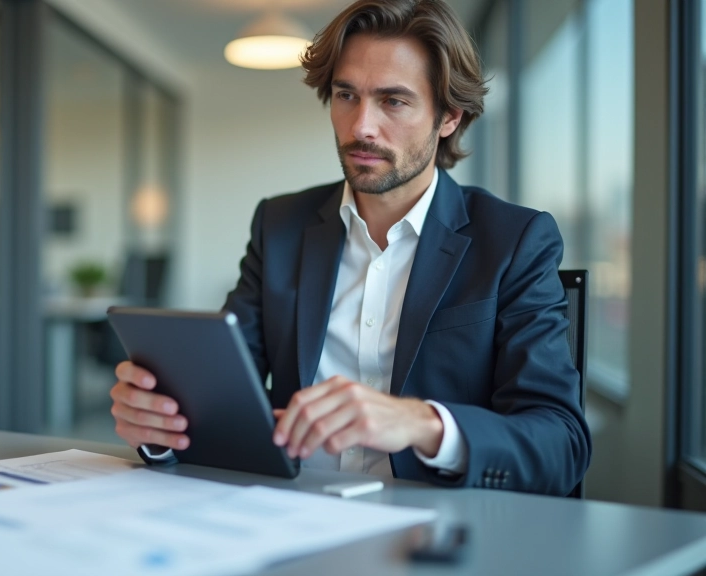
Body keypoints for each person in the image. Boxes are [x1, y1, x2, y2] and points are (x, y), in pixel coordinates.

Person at [110, 0, 591, 496]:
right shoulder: (279, 226)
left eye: (394, 101)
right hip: (288, 516)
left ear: (449, 116)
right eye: (346, 95)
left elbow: (562, 443)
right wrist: (160, 426)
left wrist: (420, 422)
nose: (361, 126)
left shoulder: (514, 241)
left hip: (434, 536)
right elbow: (225, 397)